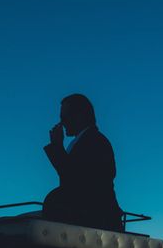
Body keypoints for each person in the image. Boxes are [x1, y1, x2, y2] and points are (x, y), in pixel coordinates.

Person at [43, 94, 123, 232]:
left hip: (95, 222)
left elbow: (76, 180)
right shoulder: (88, 141)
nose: (61, 123)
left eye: (64, 117)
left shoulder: (95, 142)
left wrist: (57, 147)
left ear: (80, 116)